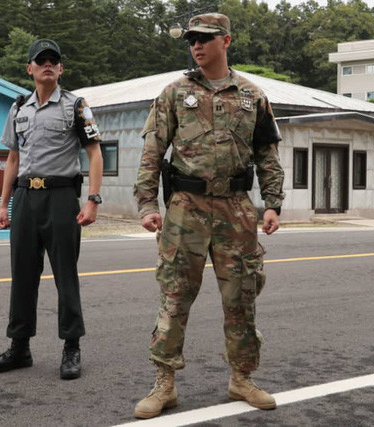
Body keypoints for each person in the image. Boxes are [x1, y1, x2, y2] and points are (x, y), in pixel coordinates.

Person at [132, 13, 285, 418]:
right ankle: (164, 383)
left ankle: (242, 378)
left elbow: (267, 155)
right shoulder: (174, 93)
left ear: (226, 41)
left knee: (241, 297)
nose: (196, 45)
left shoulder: (253, 96)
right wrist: (147, 204)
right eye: (191, 40)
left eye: (204, 38)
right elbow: (152, 152)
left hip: (237, 209)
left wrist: (273, 203)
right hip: (186, 208)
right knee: (175, 296)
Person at [0, 39, 103, 380]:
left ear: (61, 69)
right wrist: (4, 204)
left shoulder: (76, 106)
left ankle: (71, 348)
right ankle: (19, 347)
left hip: (61, 197)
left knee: (65, 275)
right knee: (22, 274)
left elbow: (94, 153)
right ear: (30, 68)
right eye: (41, 60)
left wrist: (93, 199)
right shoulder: (19, 107)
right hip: (25, 197)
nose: (47, 65)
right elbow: (13, 159)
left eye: (53, 60)